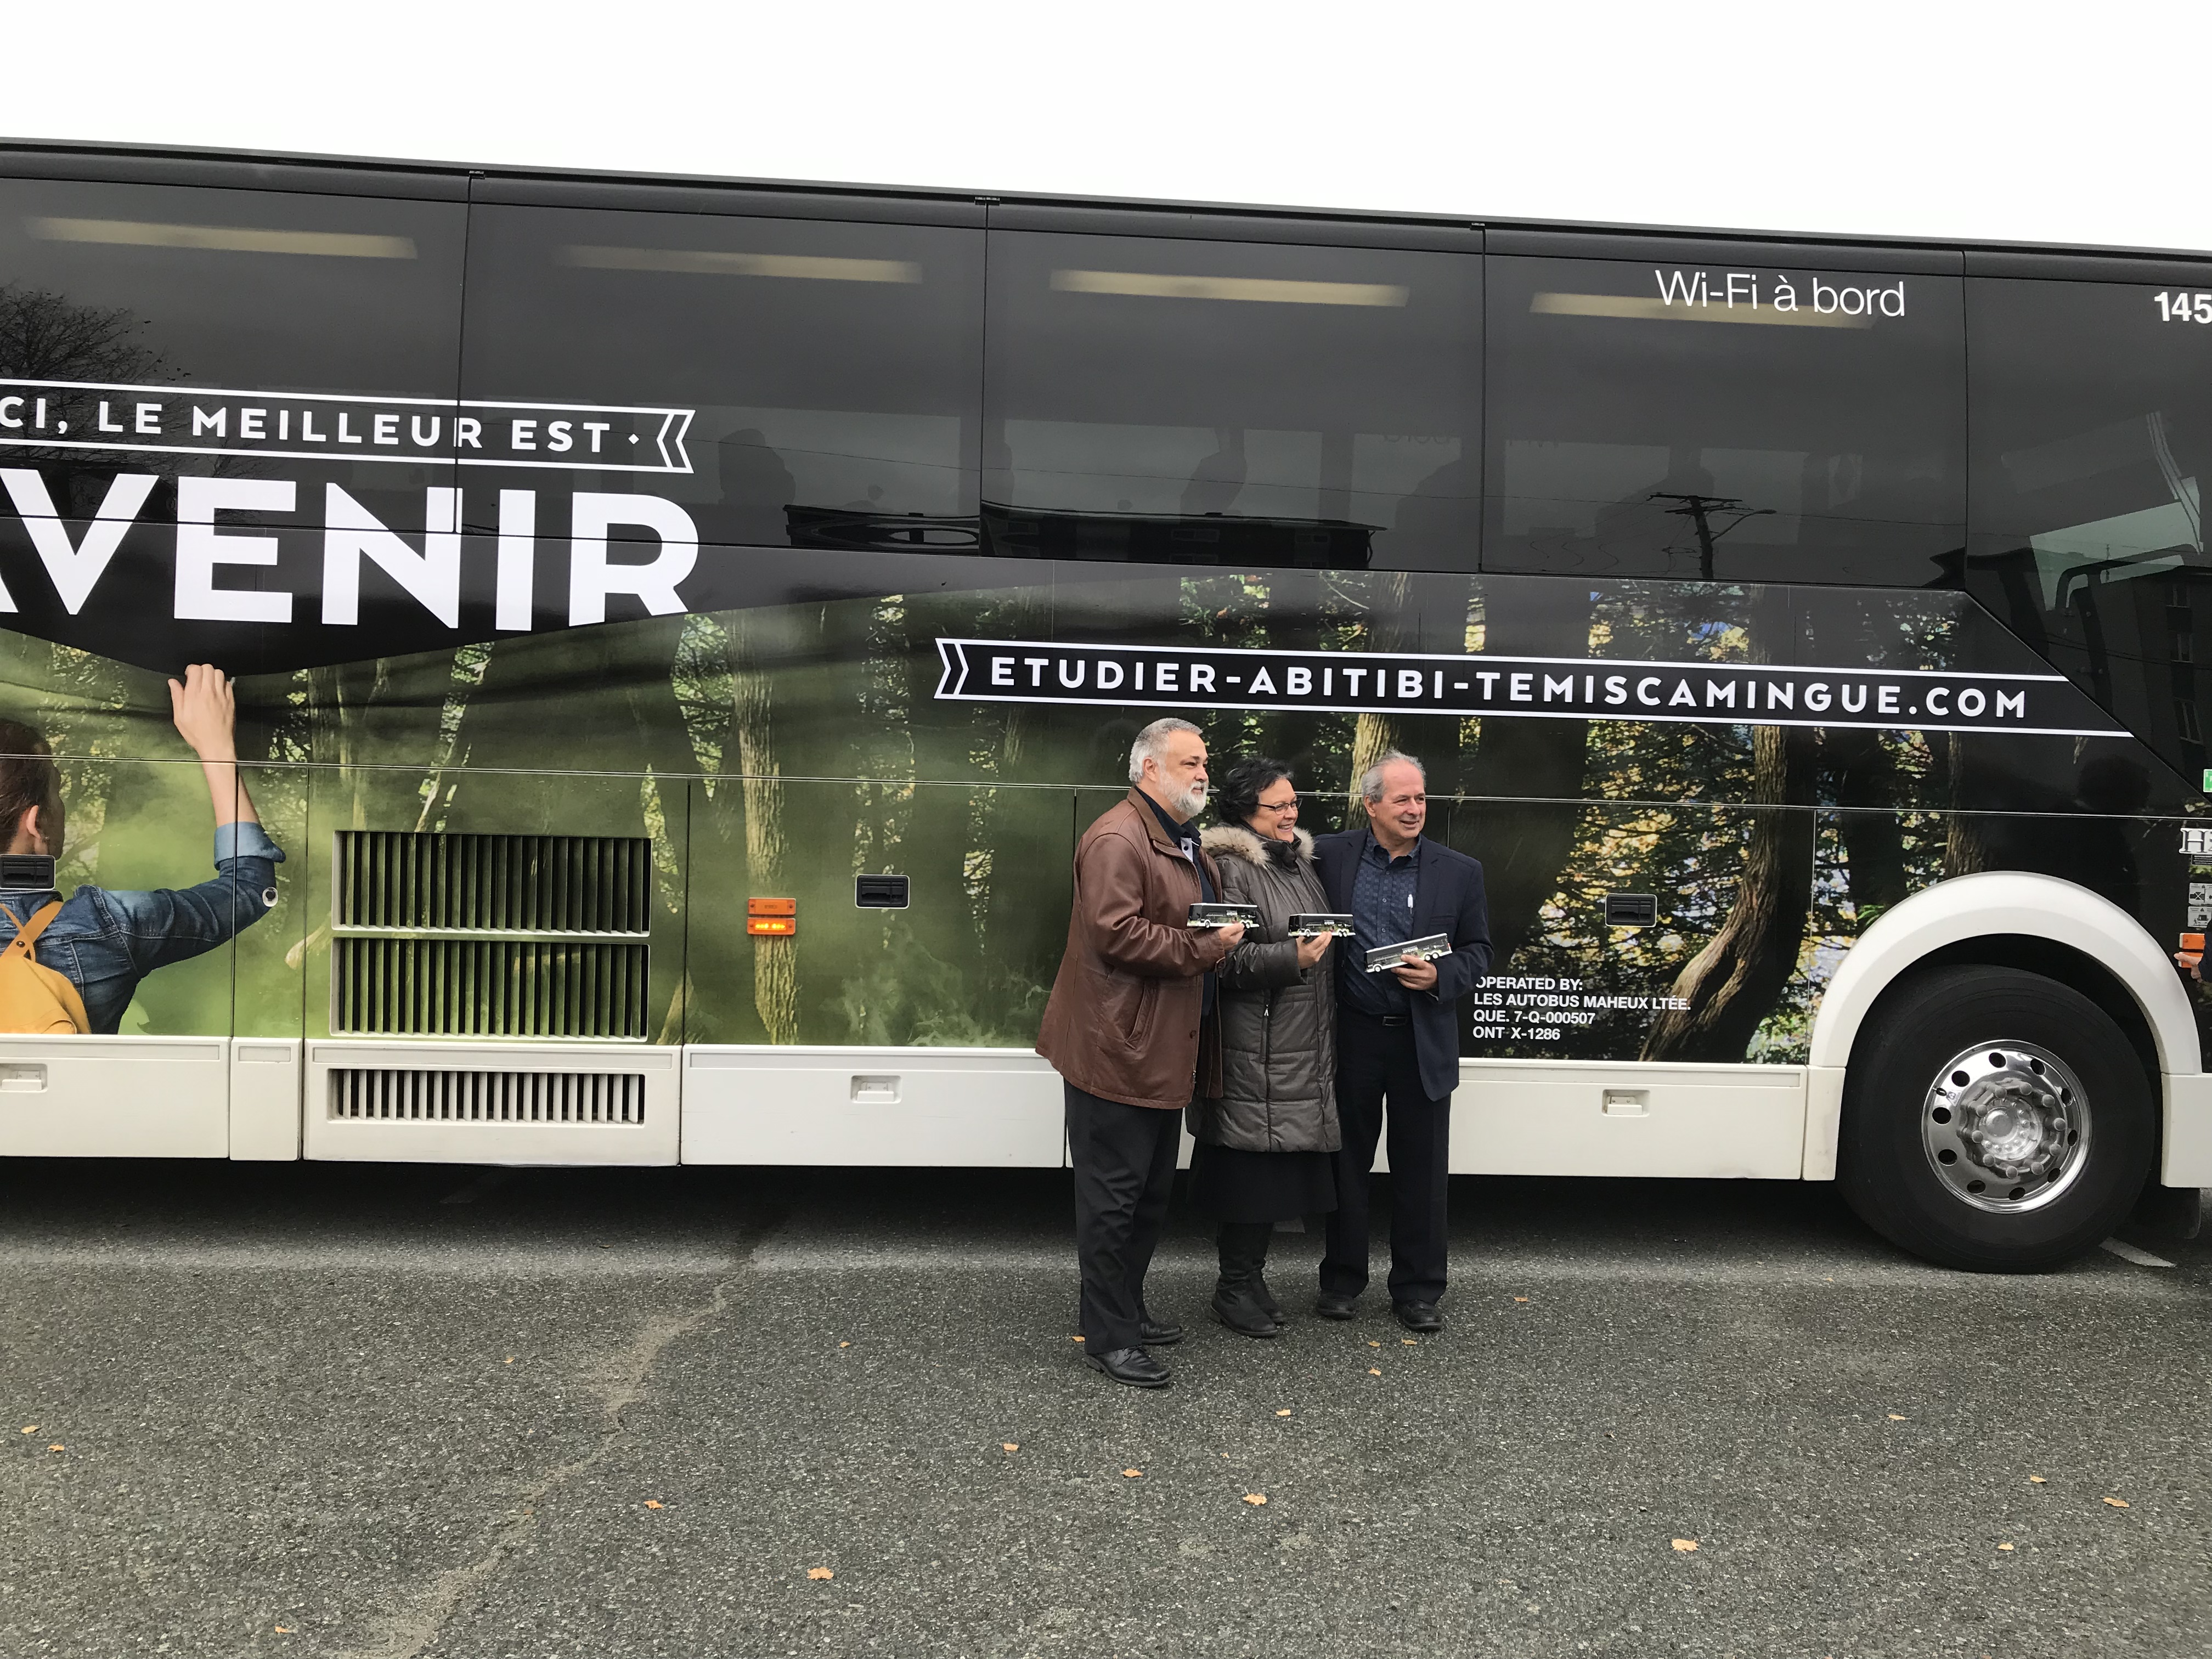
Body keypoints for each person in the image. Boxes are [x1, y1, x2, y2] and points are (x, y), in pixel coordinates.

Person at [1036, 716, 1244, 1389]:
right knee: (1113, 1200)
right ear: (1149, 769)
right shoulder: (1118, 838)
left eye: (1205, 762)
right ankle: (1110, 1337)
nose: (1203, 773)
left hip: (1156, 1048)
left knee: (1149, 1197)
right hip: (1117, 1049)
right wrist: (1205, 950)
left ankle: (1124, 1307)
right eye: (1191, 763)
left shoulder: (1180, 839)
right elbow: (1115, 935)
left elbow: (1174, 918)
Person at [1311, 751, 1491, 1333]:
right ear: (1371, 804)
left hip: (1421, 1040)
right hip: (1353, 1036)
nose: (1416, 809)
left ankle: (1418, 1291)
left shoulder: (1458, 871)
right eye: (1403, 799)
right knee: (1347, 1168)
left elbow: (1479, 952)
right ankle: (1341, 1281)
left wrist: (1442, 977)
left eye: (1421, 798)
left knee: (1422, 1172)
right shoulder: (1329, 855)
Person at [0, 664, 284, 1032]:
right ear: (37, 824)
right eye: (58, 790)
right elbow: (250, 888)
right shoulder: (107, 927)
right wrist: (216, 747)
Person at [1193, 757, 1339, 1337]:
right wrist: (1292, 959)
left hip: (1297, 1046)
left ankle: (1250, 1281)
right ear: (1245, 812)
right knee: (1248, 1177)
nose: (1291, 814)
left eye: (1294, 803)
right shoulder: (1228, 869)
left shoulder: (1296, 864)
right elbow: (1219, 958)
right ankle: (1232, 1288)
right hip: (1254, 1052)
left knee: (1275, 1178)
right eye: (1277, 806)